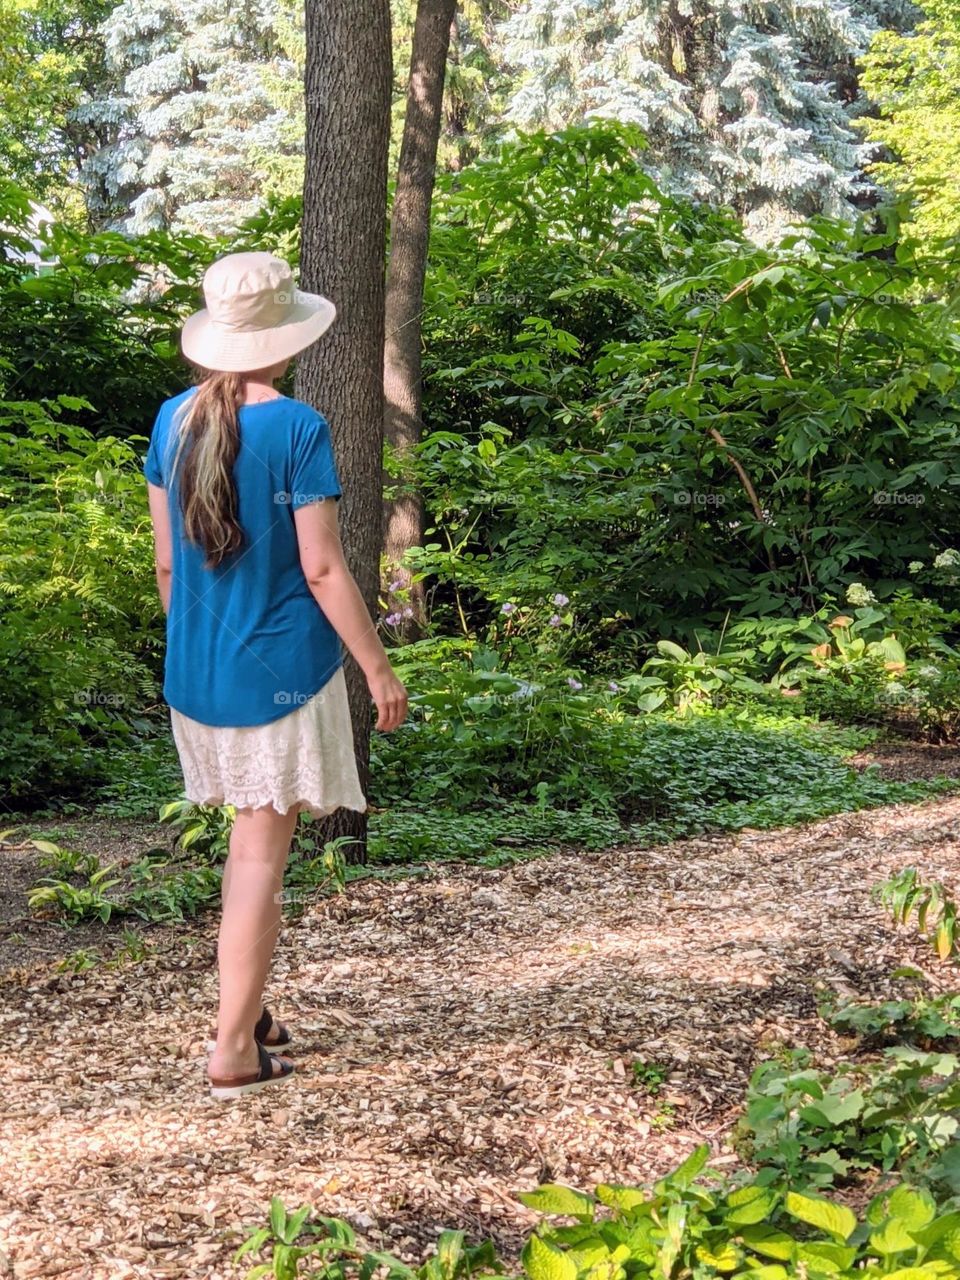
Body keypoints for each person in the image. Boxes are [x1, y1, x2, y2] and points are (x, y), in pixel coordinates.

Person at [143, 251, 408, 1099]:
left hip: (198, 677)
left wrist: (200, 651)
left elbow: (167, 571)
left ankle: (248, 1010)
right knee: (261, 856)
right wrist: (378, 668)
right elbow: (324, 571)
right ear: (284, 340)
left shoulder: (170, 420)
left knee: (246, 846)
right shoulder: (297, 427)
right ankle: (232, 1050)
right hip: (281, 678)